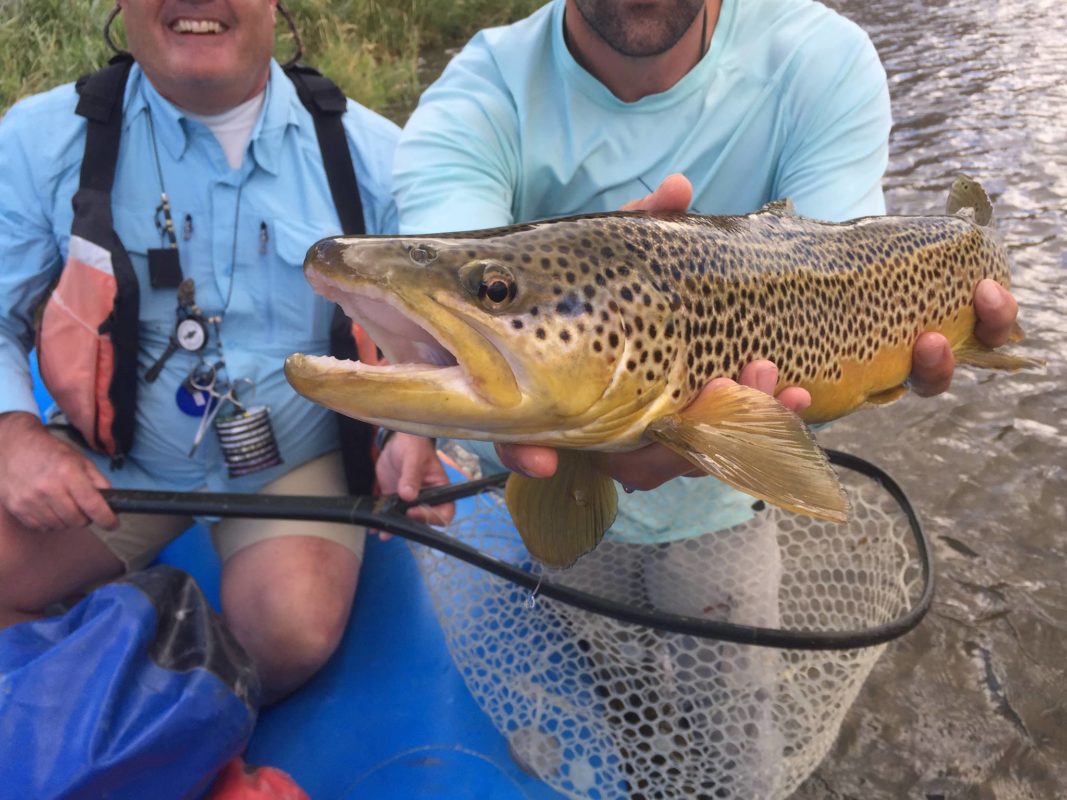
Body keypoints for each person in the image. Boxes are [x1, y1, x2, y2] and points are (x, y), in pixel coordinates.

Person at [385, 0, 1020, 792]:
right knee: (608, 689)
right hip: (555, 483)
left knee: (735, 739)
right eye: (497, 292)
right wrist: (409, 415)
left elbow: (837, 268)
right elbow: (441, 293)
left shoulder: (816, 58)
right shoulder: (478, 90)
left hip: (725, 504)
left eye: (498, 292)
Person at [0, 0, 447, 704]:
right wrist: (13, 433)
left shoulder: (377, 155)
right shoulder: (39, 139)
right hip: (120, 455)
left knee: (290, 633)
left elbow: (431, 342)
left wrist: (408, 431)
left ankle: (139, 684)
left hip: (295, 457)